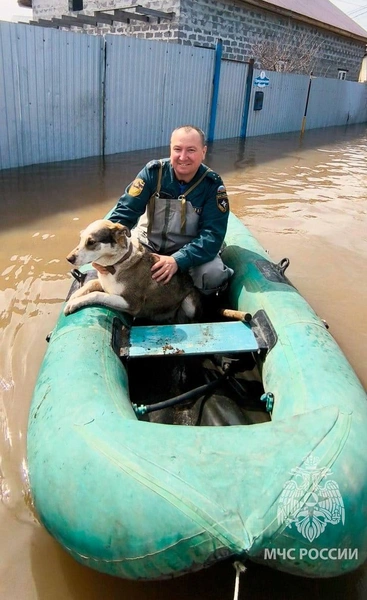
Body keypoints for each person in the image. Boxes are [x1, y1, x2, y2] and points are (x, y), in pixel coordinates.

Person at [108, 125, 233, 295]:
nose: (183, 157)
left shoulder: (212, 185)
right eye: (177, 149)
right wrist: (107, 247)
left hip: (189, 249)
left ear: (203, 152)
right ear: (170, 149)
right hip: (148, 244)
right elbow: (126, 212)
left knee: (212, 274)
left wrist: (177, 260)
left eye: (191, 150)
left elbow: (212, 235)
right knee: (116, 264)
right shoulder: (153, 173)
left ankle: (200, 306)